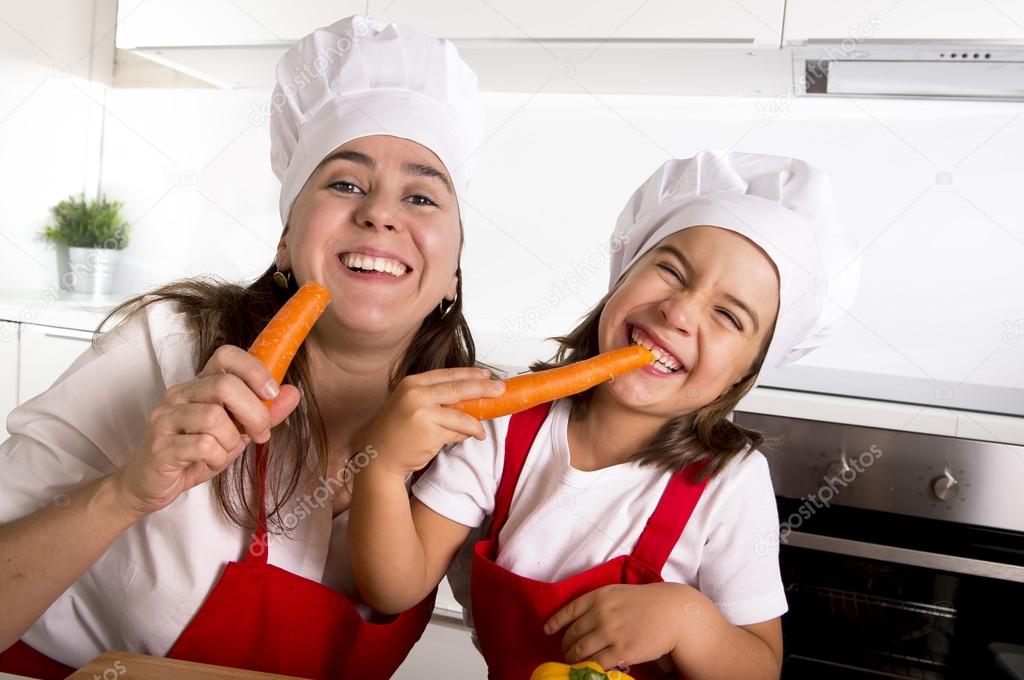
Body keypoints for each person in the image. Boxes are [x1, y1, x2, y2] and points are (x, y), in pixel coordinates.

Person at [0, 15, 485, 680]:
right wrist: (126, 493)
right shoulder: (169, 345)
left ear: (454, 271)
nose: (380, 212)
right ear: (287, 241)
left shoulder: (480, 435)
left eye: (423, 194)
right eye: (345, 182)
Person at [348, 150, 860, 679]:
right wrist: (382, 471)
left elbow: (759, 669)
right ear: (621, 275)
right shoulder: (504, 426)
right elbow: (394, 587)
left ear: (744, 374)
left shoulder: (728, 482)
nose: (679, 312)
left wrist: (690, 620)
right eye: (670, 270)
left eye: (728, 315)